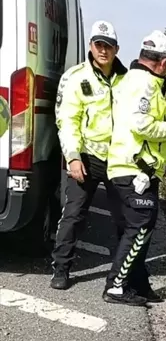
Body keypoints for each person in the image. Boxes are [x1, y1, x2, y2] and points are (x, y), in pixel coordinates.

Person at [103, 30, 166, 306]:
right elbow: (140, 125)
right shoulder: (146, 84)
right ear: (162, 62)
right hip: (133, 170)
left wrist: (165, 164)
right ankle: (116, 286)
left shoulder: (132, 80)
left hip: (132, 167)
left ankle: (138, 284)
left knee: (135, 228)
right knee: (140, 227)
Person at [50, 20, 128, 290]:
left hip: (119, 160)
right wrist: (72, 156)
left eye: (108, 45)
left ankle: (122, 275)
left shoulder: (127, 81)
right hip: (87, 157)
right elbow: (68, 120)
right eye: (98, 44)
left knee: (125, 219)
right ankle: (61, 268)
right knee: (74, 214)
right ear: (91, 46)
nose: (103, 50)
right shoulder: (76, 77)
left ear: (117, 48)